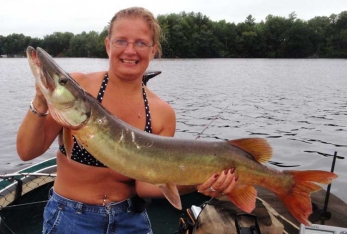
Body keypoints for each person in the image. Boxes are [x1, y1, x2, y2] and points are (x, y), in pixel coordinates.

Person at [16, 7, 237, 234]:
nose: (130, 51)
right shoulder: (79, 88)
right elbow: (26, 152)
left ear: (153, 51)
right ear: (108, 45)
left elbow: (145, 186)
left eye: (141, 43)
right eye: (121, 41)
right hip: (72, 217)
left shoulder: (162, 113)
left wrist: (200, 184)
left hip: (131, 221)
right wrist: (41, 102)